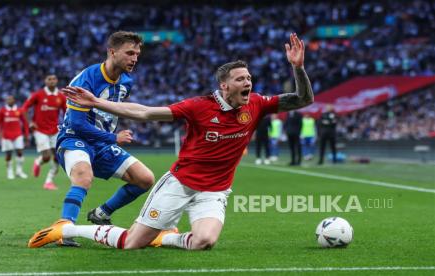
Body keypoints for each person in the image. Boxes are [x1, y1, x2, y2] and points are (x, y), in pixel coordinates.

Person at [28, 33, 313, 250]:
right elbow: (146, 112)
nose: (248, 83)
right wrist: (95, 107)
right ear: (224, 86)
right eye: (240, 79)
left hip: (215, 190)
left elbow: (303, 99)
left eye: (249, 78)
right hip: (179, 181)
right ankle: (66, 230)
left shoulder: (257, 104)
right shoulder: (199, 106)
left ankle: (159, 234)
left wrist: (298, 68)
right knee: (131, 243)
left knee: (204, 241)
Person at [31, 31, 155, 235]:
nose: (134, 59)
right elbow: (78, 124)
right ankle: (64, 228)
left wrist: (109, 138)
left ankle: (102, 213)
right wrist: (114, 138)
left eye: (137, 54)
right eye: (129, 53)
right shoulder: (86, 80)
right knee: (83, 176)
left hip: (102, 144)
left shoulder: (126, 82)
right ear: (112, 52)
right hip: (75, 138)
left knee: (145, 179)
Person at [22, 74, 66, 190]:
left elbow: (67, 112)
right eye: (49, 79)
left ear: (57, 81)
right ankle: (38, 161)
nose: (52, 81)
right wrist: (30, 122)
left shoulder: (61, 96)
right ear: (45, 81)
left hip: (54, 130)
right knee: (46, 157)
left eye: (54, 79)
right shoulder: (38, 95)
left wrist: (66, 125)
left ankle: (49, 181)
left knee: (58, 157)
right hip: (40, 129)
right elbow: (24, 108)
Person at [0, 95, 29, 180]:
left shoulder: (19, 110)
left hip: (18, 134)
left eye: (10, 99)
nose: (8, 101)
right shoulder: (2, 110)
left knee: (20, 152)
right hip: (6, 136)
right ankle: (9, 172)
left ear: (14, 101)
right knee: (8, 154)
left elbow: (24, 123)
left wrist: (26, 134)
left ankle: (19, 171)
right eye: (7, 99)